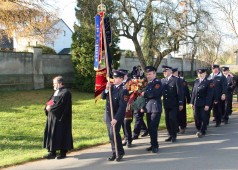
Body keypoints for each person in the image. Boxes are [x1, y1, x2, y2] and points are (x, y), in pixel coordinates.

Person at [43, 76, 73, 159]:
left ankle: (63, 153)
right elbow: (51, 101)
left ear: (60, 83)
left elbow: (61, 106)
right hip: (52, 117)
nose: (53, 85)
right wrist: (47, 106)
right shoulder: (56, 92)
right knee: (52, 134)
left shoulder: (66, 93)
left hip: (61, 118)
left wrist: (51, 108)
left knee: (60, 134)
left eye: (55, 83)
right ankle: (52, 152)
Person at [101, 70, 129, 162]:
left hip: (117, 115)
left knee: (114, 133)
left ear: (121, 79)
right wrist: (106, 89)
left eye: (117, 78)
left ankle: (120, 152)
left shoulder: (124, 90)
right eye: (114, 77)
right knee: (110, 134)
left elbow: (122, 107)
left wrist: (116, 119)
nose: (114, 79)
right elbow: (103, 97)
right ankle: (114, 152)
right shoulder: (111, 87)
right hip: (109, 114)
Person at [141, 66, 163, 153]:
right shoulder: (149, 83)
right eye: (147, 74)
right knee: (150, 128)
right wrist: (143, 107)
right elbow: (146, 97)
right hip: (149, 108)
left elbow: (154, 94)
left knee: (153, 128)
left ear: (154, 73)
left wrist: (144, 93)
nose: (148, 76)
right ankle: (152, 144)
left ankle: (155, 146)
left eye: (149, 74)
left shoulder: (158, 82)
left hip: (155, 108)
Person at [161, 65, 184, 143]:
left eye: (166, 71)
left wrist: (181, 103)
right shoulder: (163, 81)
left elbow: (180, 92)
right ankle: (170, 134)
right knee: (167, 120)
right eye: (163, 71)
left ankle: (174, 135)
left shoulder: (177, 80)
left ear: (170, 71)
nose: (164, 72)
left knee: (172, 119)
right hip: (166, 104)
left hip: (174, 103)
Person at [190, 68, 214, 137]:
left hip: (204, 102)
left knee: (204, 116)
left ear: (205, 74)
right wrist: (192, 102)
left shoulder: (209, 82)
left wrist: (207, 104)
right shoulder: (196, 81)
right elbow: (193, 92)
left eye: (201, 73)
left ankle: (202, 130)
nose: (200, 75)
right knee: (196, 116)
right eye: (199, 73)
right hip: (196, 102)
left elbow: (210, 94)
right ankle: (198, 128)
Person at [172, 68, 191, 134]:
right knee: (175, 114)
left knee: (182, 114)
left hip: (181, 99)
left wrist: (188, 99)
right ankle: (176, 127)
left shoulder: (182, 80)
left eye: (175, 72)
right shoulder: (171, 80)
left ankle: (182, 125)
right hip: (173, 100)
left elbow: (186, 90)